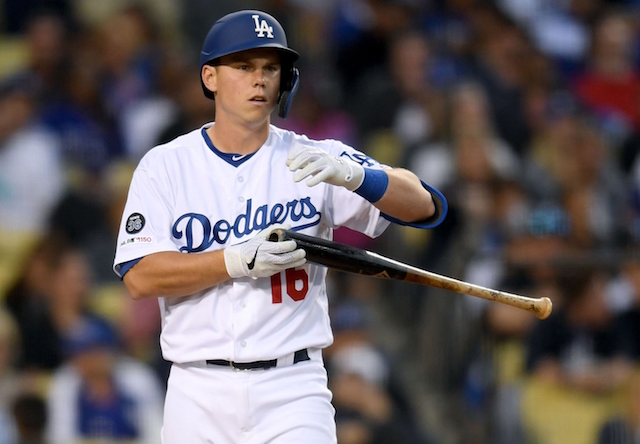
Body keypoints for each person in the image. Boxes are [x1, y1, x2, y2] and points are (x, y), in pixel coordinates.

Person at [112, 9, 447, 444]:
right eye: (244, 66)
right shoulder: (166, 165)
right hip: (197, 389)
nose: (260, 79)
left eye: (271, 68)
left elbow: (425, 205)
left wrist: (357, 175)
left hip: (292, 388)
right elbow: (140, 277)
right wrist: (234, 260)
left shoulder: (315, 158)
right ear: (210, 77)